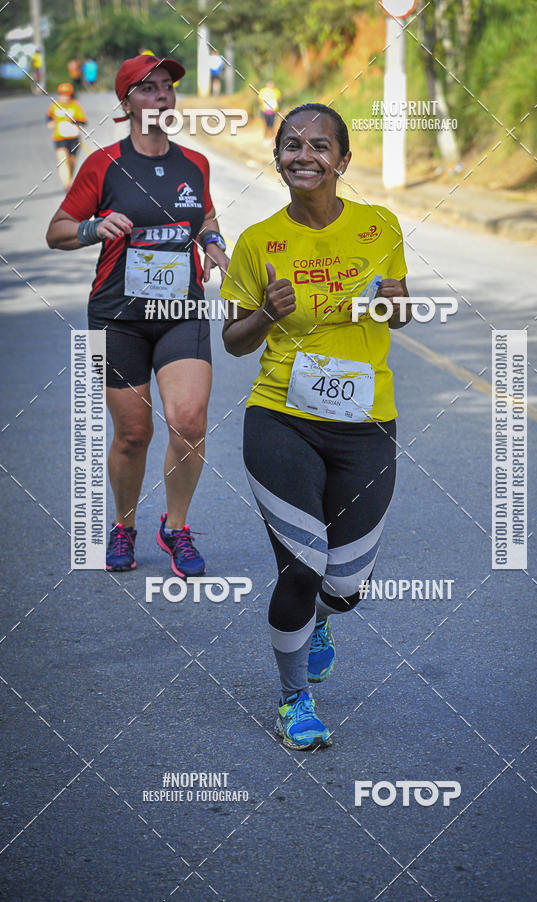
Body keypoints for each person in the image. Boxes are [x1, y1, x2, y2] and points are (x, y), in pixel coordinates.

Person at [220, 103, 412, 750]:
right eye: (291, 145)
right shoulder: (257, 243)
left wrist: (394, 301)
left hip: (365, 425)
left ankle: (319, 620)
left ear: (343, 161)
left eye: (319, 145)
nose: (304, 155)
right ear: (277, 159)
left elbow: (401, 312)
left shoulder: (379, 227)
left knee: (345, 587)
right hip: (280, 417)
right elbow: (235, 343)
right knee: (302, 566)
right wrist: (268, 315)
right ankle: (292, 698)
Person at [46, 54, 229, 576]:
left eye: (167, 87)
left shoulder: (195, 164)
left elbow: (205, 216)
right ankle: (123, 525)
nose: (161, 96)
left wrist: (213, 241)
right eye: (148, 88)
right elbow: (56, 230)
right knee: (132, 433)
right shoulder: (102, 164)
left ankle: (176, 527)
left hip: (181, 311)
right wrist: (91, 229)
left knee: (189, 421)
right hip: (116, 316)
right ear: (126, 102)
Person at [46, 83, 88, 191]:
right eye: (62, 94)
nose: (64, 97)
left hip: (73, 138)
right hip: (59, 137)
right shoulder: (55, 105)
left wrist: (73, 121)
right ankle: (67, 184)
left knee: (72, 161)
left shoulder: (75, 106)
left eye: (66, 94)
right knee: (62, 159)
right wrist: (50, 123)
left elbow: (84, 121)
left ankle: (69, 180)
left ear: (70, 95)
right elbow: (49, 117)